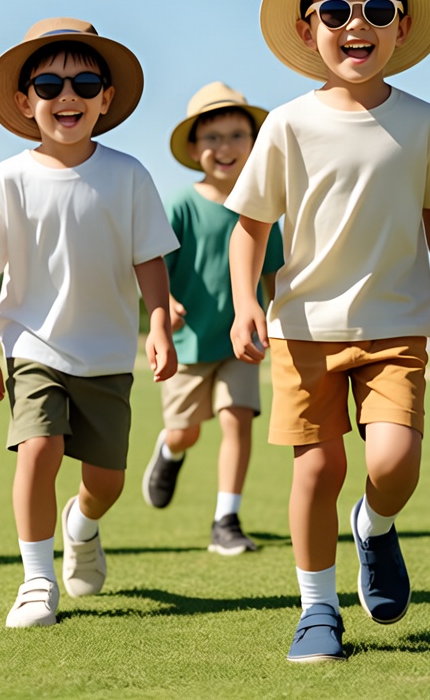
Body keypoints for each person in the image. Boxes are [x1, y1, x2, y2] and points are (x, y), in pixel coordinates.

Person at [226, 0, 430, 663]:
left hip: (397, 323)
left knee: (393, 462)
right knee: (317, 469)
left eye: (375, 9)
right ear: (309, 31)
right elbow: (250, 227)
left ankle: (375, 525)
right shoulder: (286, 124)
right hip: (302, 327)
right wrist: (247, 302)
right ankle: (316, 610)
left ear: (403, 25)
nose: (354, 25)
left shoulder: (426, 122)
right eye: (334, 12)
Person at [0, 18, 179, 628]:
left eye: (85, 81)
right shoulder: (7, 179)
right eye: (49, 83)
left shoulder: (129, 174)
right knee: (38, 449)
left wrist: (158, 323)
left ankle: (81, 526)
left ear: (106, 98)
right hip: (33, 346)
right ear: (26, 101)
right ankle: (35, 581)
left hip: (107, 355)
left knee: (104, 482)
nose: (67, 95)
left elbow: (150, 258)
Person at [142, 82, 284, 555]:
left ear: (254, 142)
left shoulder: (263, 209)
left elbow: (274, 276)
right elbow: (151, 262)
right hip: (187, 342)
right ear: (193, 147)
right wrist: (165, 304)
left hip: (240, 342)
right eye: (213, 137)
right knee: (186, 429)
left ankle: (226, 518)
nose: (225, 148)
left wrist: (278, 324)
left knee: (237, 420)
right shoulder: (181, 205)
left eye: (237, 136)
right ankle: (170, 450)